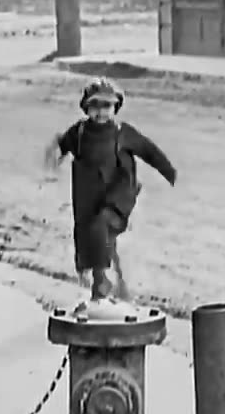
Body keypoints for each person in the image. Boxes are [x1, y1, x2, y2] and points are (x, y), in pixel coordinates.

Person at [43, 77, 177, 303]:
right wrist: (55, 154)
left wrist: (169, 172)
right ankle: (111, 288)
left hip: (118, 195)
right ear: (86, 108)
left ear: (116, 107)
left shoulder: (122, 133)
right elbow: (64, 143)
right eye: (95, 107)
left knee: (102, 229)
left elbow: (149, 150)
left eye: (106, 106)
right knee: (95, 240)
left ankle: (104, 286)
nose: (101, 112)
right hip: (89, 197)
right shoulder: (80, 132)